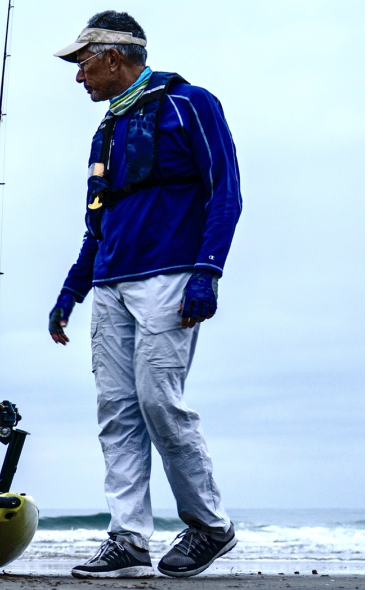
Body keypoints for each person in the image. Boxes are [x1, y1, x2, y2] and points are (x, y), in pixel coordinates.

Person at [48, 11, 242, 580]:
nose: (79, 76)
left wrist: (208, 270)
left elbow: (225, 190)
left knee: (160, 400)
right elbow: (96, 222)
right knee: (117, 412)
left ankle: (210, 525)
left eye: (83, 63)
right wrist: (71, 290)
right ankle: (129, 538)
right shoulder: (105, 130)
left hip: (173, 275)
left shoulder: (191, 104)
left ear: (113, 56)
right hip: (110, 284)